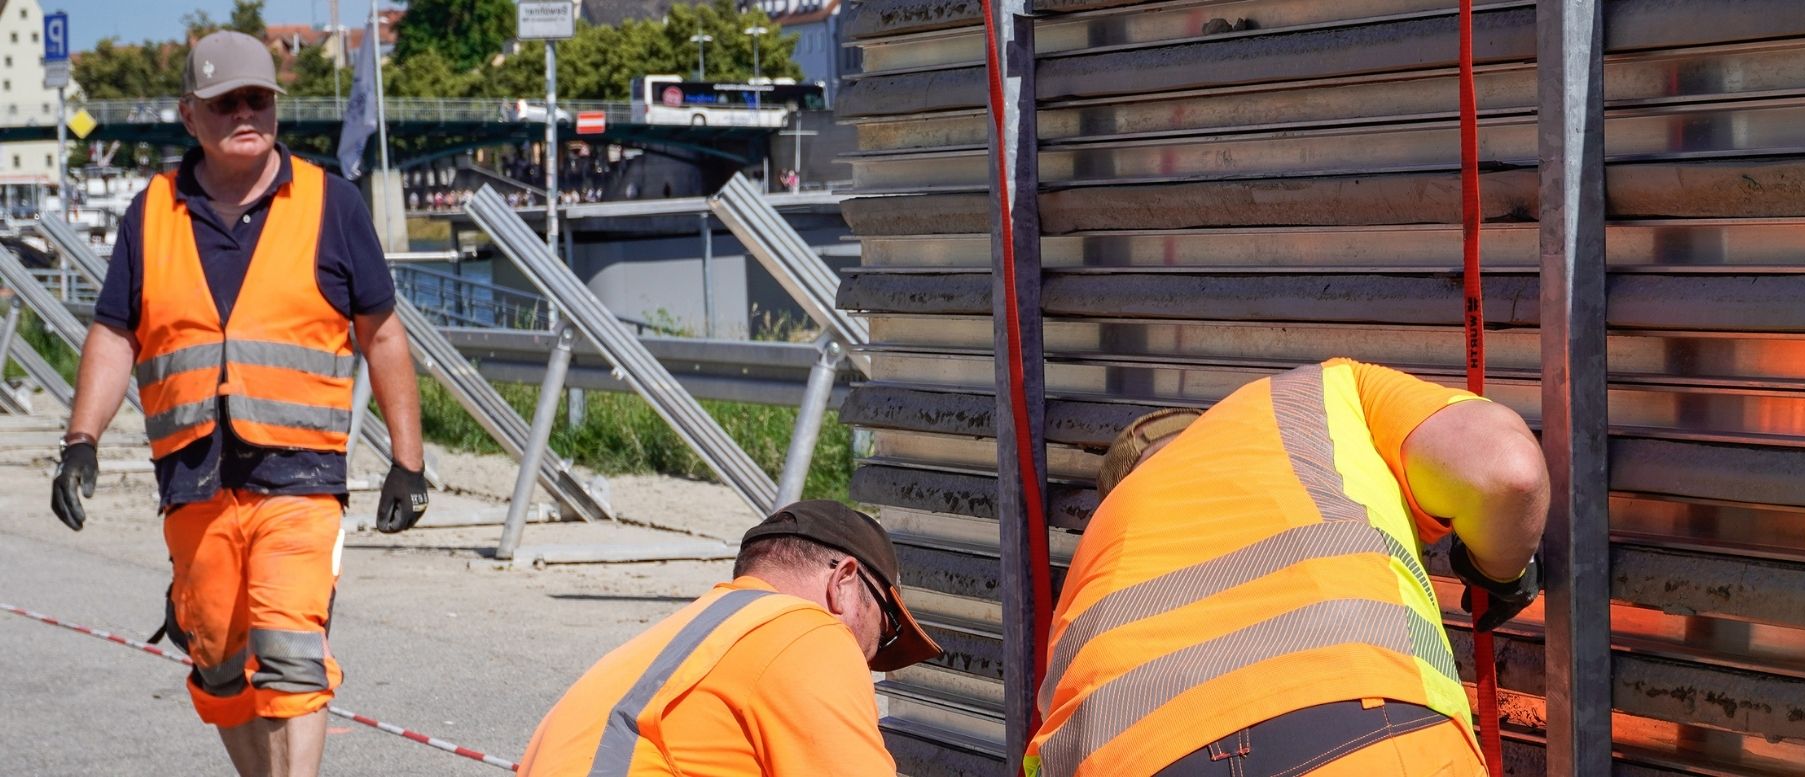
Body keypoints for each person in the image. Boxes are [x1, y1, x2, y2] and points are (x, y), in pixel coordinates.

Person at [47, 30, 429, 777]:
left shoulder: (331, 204)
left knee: (291, 656)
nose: (246, 113)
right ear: (190, 115)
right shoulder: (151, 212)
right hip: (193, 480)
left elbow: (382, 335)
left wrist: (407, 463)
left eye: (259, 98)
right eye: (226, 103)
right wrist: (80, 440)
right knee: (219, 662)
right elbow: (115, 333)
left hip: (301, 478)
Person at [1026, 358, 1548, 776]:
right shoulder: (1313, 396)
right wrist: (1499, 571)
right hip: (1362, 725)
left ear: (1121, 489)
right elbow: (1508, 472)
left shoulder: (1093, 559)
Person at [517, 501, 944, 776]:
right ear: (844, 581)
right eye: (885, 627)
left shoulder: (661, 650)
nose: (868, 657)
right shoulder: (807, 633)